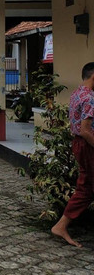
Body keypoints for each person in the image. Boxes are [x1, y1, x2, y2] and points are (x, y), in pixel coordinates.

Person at [51, 62, 94, 247]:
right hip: (86, 144)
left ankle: (61, 225)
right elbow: (86, 130)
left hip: (78, 144)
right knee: (86, 187)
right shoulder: (90, 97)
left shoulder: (77, 94)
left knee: (87, 187)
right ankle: (61, 225)